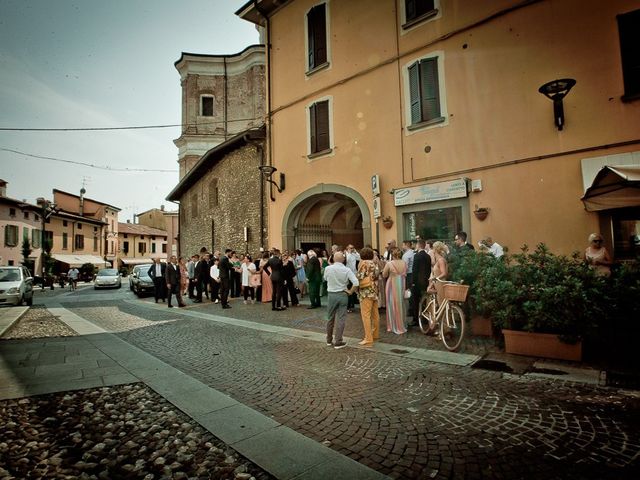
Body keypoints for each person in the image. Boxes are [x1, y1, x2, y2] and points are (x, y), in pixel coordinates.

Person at [324, 251, 359, 349]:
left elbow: (325, 279)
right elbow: (356, 282)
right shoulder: (347, 269)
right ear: (343, 260)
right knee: (341, 319)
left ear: (333, 259)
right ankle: (338, 341)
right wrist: (351, 292)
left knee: (330, 318)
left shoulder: (328, 268)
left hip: (331, 294)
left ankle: (329, 340)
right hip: (343, 294)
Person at [356, 247, 380, 346]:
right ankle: (375, 334)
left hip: (365, 291)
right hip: (374, 290)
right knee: (375, 314)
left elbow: (360, 276)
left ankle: (368, 338)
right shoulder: (373, 263)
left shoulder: (363, 263)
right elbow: (377, 275)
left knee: (366, 315)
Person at [382, 248, 407, 335]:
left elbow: (384, 275)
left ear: (393, 255)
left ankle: (393, 325)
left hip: (392, 284)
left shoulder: (390, 263)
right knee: (400, 304)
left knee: (391, 304)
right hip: (401, 284)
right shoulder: (404, 263)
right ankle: (401, 324)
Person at [411, 239, 431, 325]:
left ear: (418, 245)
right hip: (426, 280)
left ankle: (416, 319)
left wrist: (413, 282)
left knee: (416, 301)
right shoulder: (428, 256)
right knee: (426, 300)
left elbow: (415, 270)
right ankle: (425, 318)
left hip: (418, 282)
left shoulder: (417, 256)